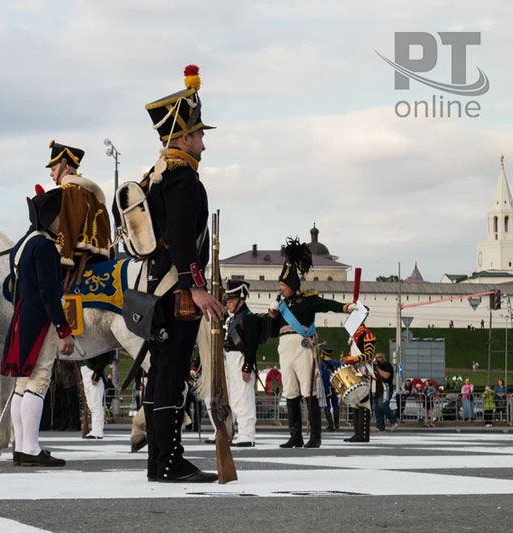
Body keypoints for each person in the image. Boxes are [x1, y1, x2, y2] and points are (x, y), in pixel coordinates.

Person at [138, 65, 221, 483]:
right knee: (171, 376)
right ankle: (169, 462)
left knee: (161, 375)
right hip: (176, 292)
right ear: (183, 137)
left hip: (156, 291)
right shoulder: (184, 181)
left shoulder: (155, 179)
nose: (203, 142)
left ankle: (159, 462)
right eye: (199, 134)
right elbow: (182, 241)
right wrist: (197, 287)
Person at [1, 188, 74, 467]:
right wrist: (63, 328)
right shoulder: (44, 246)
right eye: (58, 216)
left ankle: (21, 447)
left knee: (23, 384)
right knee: (39, 380)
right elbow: (49, 293)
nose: (60, 222)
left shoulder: (24, 244)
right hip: (40, 319)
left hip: (22, 316)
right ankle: (30, 448)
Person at [268, 238, 355, 448]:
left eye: (283, 285)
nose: (280, 288)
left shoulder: (307, 301)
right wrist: (271, 316)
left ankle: (315, 437)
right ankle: (295, 435)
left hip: (303, 348)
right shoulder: (280, 306)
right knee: (290, 391)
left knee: (309, 390)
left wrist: (345, 307)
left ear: (292, 285)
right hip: (285, 349)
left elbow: (326, 304)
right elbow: (272, 333)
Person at [46, 141, 112, 275]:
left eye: (53, 169)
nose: (51, 174)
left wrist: (63, 256)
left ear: (65, 168)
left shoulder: (70, 190)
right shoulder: (89, 192)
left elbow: (68, 225)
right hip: (96, 256)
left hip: (77, 259)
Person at [219, 279, 266, 447]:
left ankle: (247, 434)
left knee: (243, 397)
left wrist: (247, 366)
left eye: (231, 300)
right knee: (235, 398)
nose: (228, 303)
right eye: (228, 300)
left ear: (241, 299)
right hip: (231, 359)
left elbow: (252, 346)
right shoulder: (233, 319)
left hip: (241, 359)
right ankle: (241, 432)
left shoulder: (249, 318)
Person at [339, 323, 376, 443]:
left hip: (363, 371)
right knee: (355, 402)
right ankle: (357, 433)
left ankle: (363, 434)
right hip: (354, 370)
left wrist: (350, 359)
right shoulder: (354, 334)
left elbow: (369, 355)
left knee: (364, 403)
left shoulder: (367, 334)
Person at [80, 352, 114, 439]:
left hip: (92, 372)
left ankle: (98, 431)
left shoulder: (98, 347)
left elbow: (103, 358)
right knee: (91, 404)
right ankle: (95, 429)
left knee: (96, 404)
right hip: (85, 372)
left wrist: (96, 375)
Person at [372, 352, 398, 431]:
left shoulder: (387, 365)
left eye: (379, 357)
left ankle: (394, 421)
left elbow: (386, 375)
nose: (377, 359)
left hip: (386, 388)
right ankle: (380, 426)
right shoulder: (374, 366)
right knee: (376, 407)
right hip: (377, 388)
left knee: (382, 405)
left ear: (383, 358)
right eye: (376, 358)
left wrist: (377, 369)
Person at [319, 345, 341, 431]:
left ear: (324, 354)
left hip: (326, 387)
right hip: (335, 387)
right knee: (336, 405)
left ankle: (330, 425)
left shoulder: (321, 365)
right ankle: (337, 424)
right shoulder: (336, 363)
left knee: (327, 406)